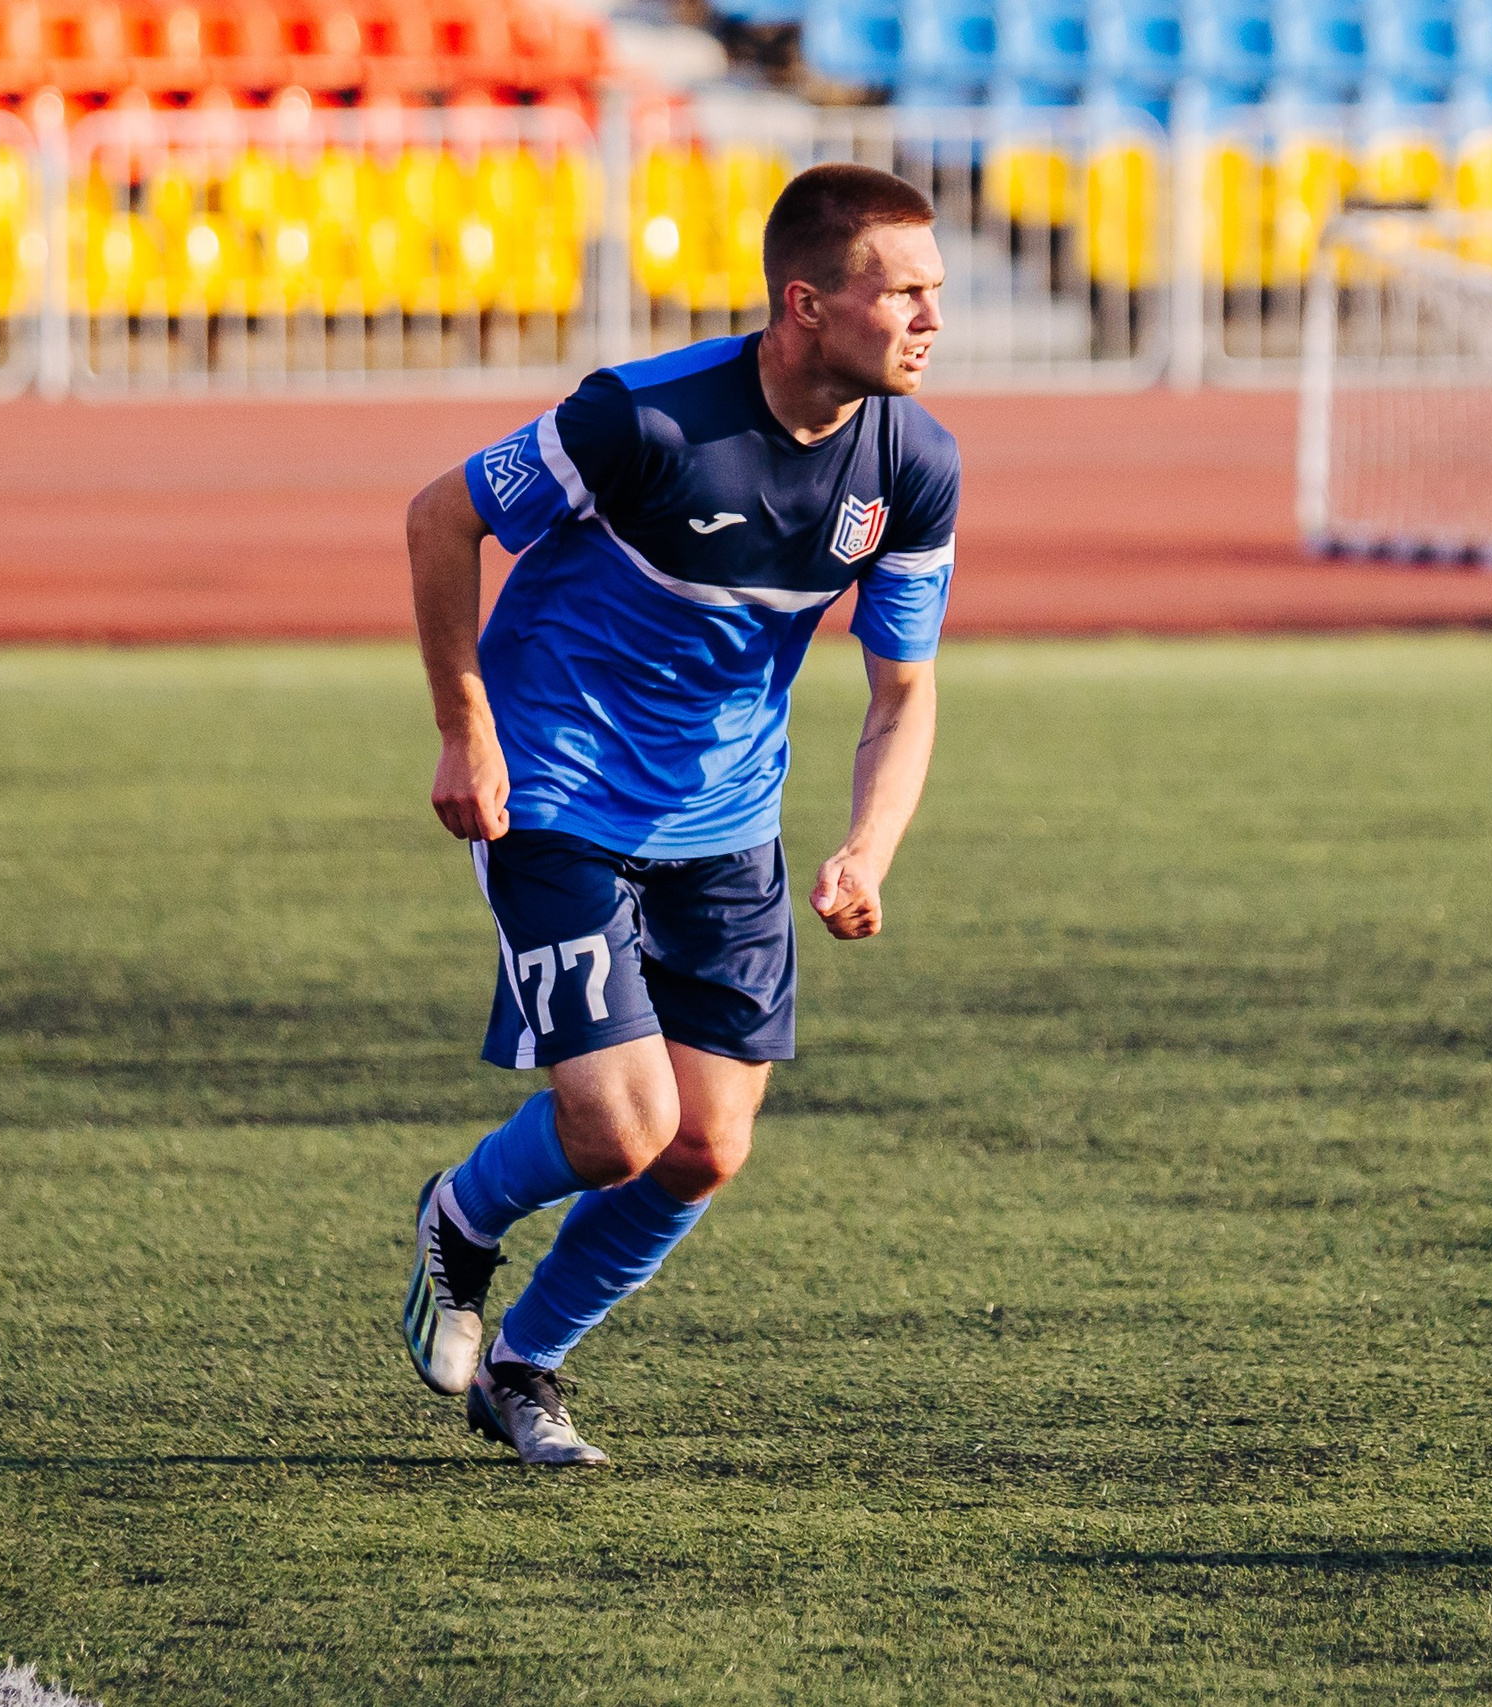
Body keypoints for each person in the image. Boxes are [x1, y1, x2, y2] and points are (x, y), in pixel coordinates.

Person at [398, 163, 955, 1466]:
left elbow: (902, 694)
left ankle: (526, 1367)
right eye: (908, 294)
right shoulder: (641, 422)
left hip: (728, 826)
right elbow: (440, 518)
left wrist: (867, 847)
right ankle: (461, 1217)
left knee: (703, 1148)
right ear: (809, 305)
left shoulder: (913, 466)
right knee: (616, 1130)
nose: (934, 322)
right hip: (557, 792)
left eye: (940, 293)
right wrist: (464, 730)